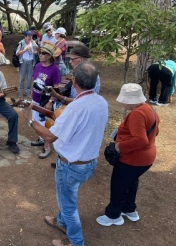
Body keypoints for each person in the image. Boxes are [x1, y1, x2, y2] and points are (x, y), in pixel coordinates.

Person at [22, 62, 108, 246]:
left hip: (71, 165)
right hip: (88, 162)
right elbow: (78, 103)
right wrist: (59, 97)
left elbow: (48, 136)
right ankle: (61, 222)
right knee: (68, 196)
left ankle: (76, 242)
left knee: (68, 205)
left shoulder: (76, 109)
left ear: (74, 80)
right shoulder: (101, 101)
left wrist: (30, 120)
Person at [96, 83, 159, 227]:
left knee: (119, 185)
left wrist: (119, 146)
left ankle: (113, 215)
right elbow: (154, 132)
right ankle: (129, 209)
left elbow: (140, 140)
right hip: (146, 157)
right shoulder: (149, 108)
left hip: (133, 159)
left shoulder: (137, 114)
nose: (122, 103)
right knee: (131, 183)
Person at [30, 44, 61, 159]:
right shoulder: (38, 66)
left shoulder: (55, 69)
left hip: (46, 100)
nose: (40, 55)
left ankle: (47, 147)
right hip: (36, 99)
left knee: (45, 124)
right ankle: (41, 139)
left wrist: (51, 101)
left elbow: (56, 87)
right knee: (36, 121)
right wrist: (31, 94)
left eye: (43, 53)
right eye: (40, 53)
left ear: (49, 56)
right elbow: (34, 80)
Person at [16, 30, 39, 98]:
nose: (30, 37)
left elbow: (37, 50)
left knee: (29, 78)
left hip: (31, 62)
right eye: (29, 36)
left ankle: (28, 92)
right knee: (22, 78)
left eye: (31, 36)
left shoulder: (33, 42)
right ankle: (21, 92)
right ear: (25, 36)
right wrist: (25, 50)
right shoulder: (21, 43)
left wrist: (35, 52)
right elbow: (17, 53)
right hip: (23, 62)